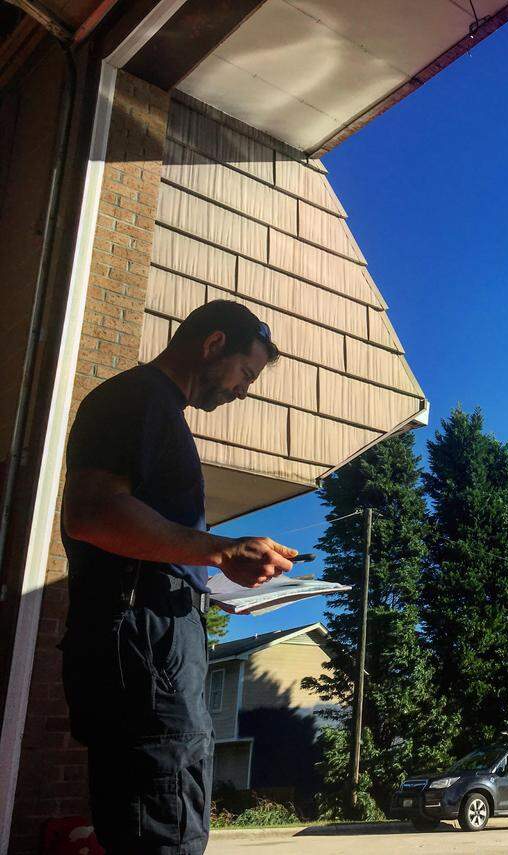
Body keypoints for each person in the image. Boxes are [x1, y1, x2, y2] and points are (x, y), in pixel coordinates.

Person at [60, 300, 299, 855]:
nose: (243, 391)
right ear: (213, 344)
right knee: (164, 833)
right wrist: (217, 550)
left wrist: (216, 569)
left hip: (152, 642)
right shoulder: (138, 399)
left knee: (156, 819)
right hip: (146, 645)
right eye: (246, 373)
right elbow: (92, 512)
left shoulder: (158, 413)